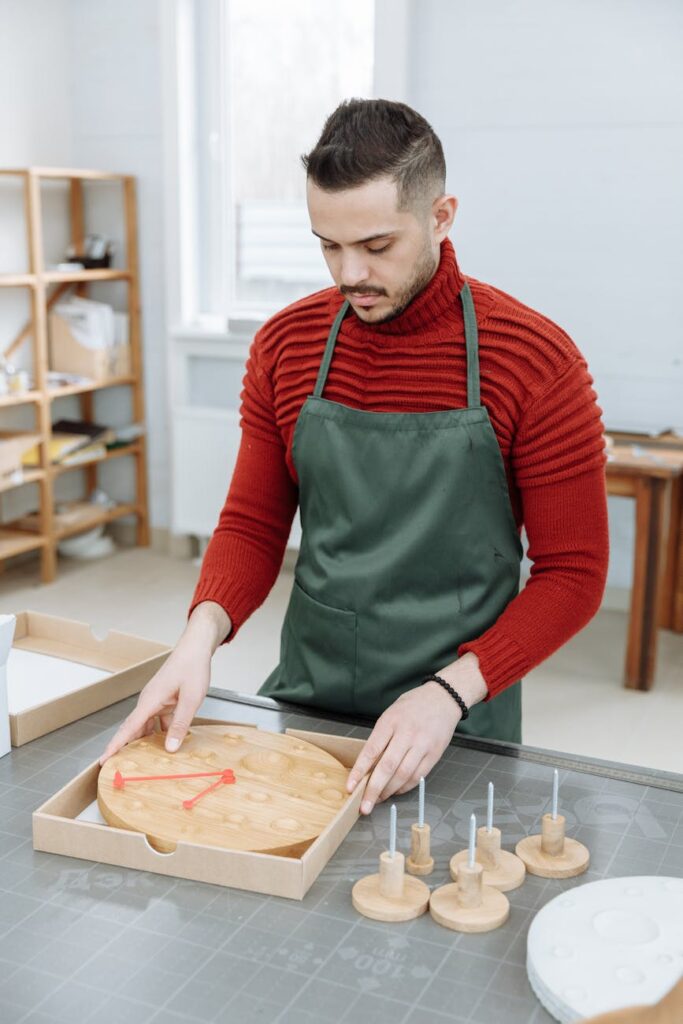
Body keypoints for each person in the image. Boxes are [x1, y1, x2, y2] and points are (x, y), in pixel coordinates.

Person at [101, 99, 608, 816]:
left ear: (441, 216)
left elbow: (574, 574)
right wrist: (198, 638)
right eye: (328, 246)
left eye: (376, 245)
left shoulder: (534, 361)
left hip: (457, 708)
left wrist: (448, 693)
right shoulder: (286, 346)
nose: (350, 273)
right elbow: (252, 524)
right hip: (312, 689)